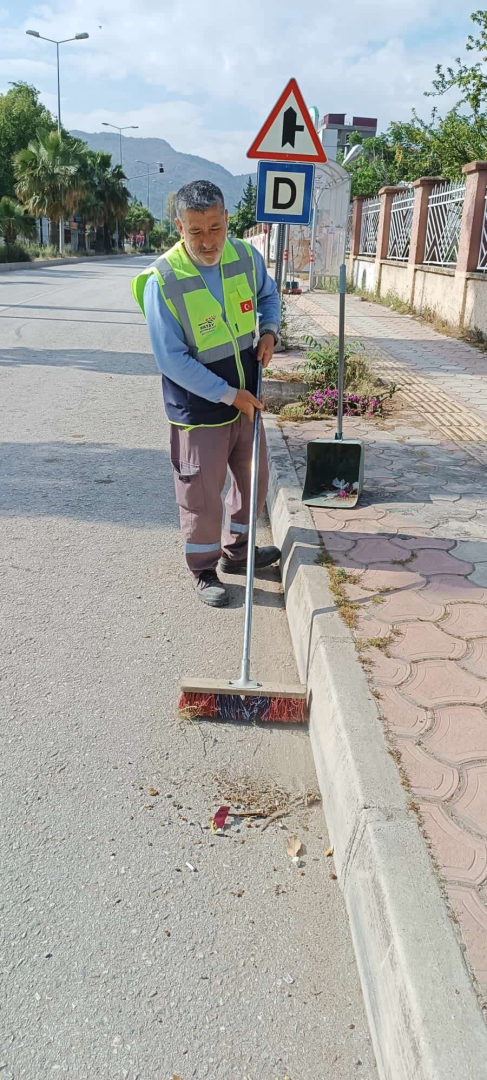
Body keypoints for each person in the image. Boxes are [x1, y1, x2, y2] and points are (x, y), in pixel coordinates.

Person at [132, 180, 281, 608]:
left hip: (245, 400)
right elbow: (172, 359)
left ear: (226, 220)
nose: (208, 240)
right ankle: (203, 569)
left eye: (215, 228)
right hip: (199, 409)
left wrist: (269, 331)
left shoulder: (245, 256)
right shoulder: (164, 279)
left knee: (254, 480)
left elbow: (269, 296)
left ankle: (238, 553)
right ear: (179, 226)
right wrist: (227, 394)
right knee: (201, 494)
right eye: (196, 231)